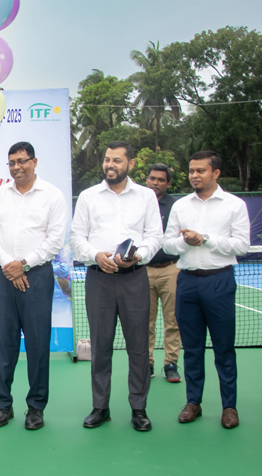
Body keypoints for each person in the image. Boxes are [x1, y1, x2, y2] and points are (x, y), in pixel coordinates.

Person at [69, 141, 162, 432]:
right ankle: (101, 407)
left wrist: (138, 255)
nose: (110, 165)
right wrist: (96, 255)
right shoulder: (88, 196)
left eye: (117, 160)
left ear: (130, 164)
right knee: (100, 346)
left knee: (138, 347)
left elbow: (155, 236)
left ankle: (139, 408)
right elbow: (76, 238)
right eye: (107, 159)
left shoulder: (146, 196)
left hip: (135, 278)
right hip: (98, 279)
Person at [0, 141, 66, 430]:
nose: (17, 167)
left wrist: (25, 264)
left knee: (38, 344)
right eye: (12, 163)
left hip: (37, 277)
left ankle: (36, 407)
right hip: (4, 275)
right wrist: (11, 265)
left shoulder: (52, 195)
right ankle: (3, 405)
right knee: (3, 343)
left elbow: (55, 240)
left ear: (34, 162)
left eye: (22, 161)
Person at [162, 150, 249, 429]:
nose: (194, 175)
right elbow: (168, 244)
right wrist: (186, 242)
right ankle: (193, 403)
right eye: (191, 171)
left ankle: (229, 407)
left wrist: (206, 239)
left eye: (200, 170)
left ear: (216, 173)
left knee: (224, 349)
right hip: (187, 282)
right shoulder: (180, 206)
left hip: (219, 282)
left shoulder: (234, 205)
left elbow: (241, 245)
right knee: (192, 348)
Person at [144, 163, 182, 382]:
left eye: (160, 180)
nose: (155, 183)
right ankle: (147, 364)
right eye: (152, 178)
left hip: (171, 270)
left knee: (173, 321)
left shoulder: (176, 206)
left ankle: (170, 364)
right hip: (143, 271)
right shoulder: (139, 204)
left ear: (168, 183)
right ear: (147, 180)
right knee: (145, 321)